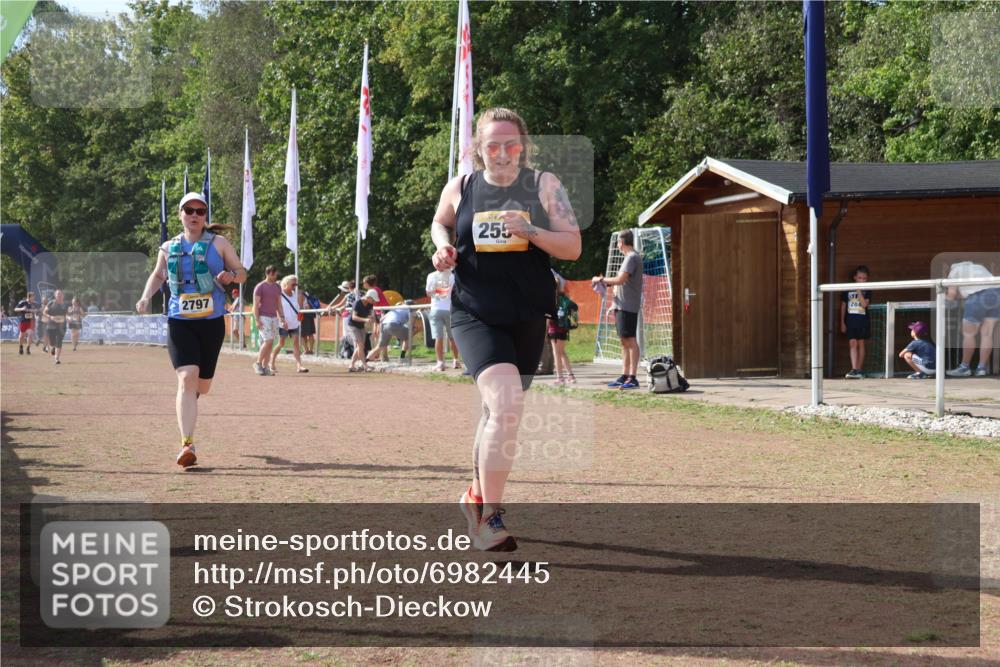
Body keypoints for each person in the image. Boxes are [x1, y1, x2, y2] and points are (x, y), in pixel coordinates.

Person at [430, 107, 581, 551]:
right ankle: (490, 517)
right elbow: (441, 222)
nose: (501, 153)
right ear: (478, 148)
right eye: (491, 145)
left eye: (510, 144)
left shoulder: (544, 185)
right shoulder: (461, 186)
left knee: (499, 413)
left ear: (523, 146)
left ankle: (475, 496)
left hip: (528, 314)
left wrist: (531, 229)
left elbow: (572, 246)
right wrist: (442, 249)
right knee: (506, 403)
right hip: (474, 312)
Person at [136, 191, 246, 468]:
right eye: (189, 210)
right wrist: (145, 297)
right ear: (180, 214)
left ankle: (191, 399)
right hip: (179, 321)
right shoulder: (168, 246)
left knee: (202, 386)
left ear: (205, 215)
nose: (194, 215)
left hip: (211, 322)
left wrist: (231, 276)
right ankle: (187, 444)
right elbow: (159, 274)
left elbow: (242, 273)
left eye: (200, 211)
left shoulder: (219, 243)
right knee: (187, 378)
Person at [592, 230, 643, 389]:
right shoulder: (629, 257)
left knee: (631, 340)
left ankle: (633, 377)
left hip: (627, 305)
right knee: (623, 341)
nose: (617, 245)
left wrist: (601, 280)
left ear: (622, 242)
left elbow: (620, 280)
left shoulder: (631, 257)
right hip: (621, 305)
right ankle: (625, 374)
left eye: (618, 242)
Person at [945, 261, 999, 377]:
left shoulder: (954, 271)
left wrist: (941, 296)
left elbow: (951, 295)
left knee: (969, 334)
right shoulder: (980, 267)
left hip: (977, 297)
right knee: (987, 334)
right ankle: (981, 368)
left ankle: (964, 367)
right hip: (997, 295)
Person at [425, 267, 461, 371]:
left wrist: (437, 291)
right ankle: (456, 360)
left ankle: (440, 363)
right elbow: (456, 292)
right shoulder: (452, 276)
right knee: (452, 336)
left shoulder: (431, 275)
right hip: (449, 309)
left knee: (438, 337)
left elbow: (428, 293)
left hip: (436, 309)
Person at [271, 274, 308, 374]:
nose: (295, 286)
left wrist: (299, 314)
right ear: (286, 284)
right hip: (283, 324)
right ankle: (272, 362)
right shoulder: (279, 294)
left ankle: (299, 366)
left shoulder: (295, 294)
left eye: (296, 284)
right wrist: (282, 321)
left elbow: (296, 307)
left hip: (294, 323)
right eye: (293, 284)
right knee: (281, 344)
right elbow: (277, 309)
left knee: (296, 344)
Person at [840, 265, 872, 379]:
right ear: (855, 277)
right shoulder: (847, 290)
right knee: (852, 343)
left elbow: (864, 305)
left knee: (861, 343)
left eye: (864, 278)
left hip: (862, 320)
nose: (862, 280)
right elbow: (843, 306)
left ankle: (859, 369)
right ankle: (854, 369)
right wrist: (842, 322)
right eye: (860, 278)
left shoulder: (867, 290)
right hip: (850, 321)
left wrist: (859, 291)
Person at [252, 266, 285, 376]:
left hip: (273, 318)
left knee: (271, 343)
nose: (276, 276)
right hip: (263, 317)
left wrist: (282, 318)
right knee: (268, 340)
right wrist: (257, 319)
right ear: (269, 273)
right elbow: (255, 305)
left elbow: (279, 304)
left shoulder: (277, 287)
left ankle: (265, 367)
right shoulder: (260, 287)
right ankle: (257, 363)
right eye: (274, 274)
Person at [549, 275, 577, 385]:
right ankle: (571, 375)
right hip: (564, 329)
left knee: (556, 354)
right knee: (562, 352)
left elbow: (548, 317)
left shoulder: (552, 299)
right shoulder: (564, 297)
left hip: (554, 329)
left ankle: (560, 377)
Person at [348, 289, 378, 372]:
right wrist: (365, 320)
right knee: (360, 345)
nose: (374, 301)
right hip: (353, 326)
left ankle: (351, 365)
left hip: (361, 326)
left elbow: (371, 315)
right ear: (368, 297)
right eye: (373, 299)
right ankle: (365, 366)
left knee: (360, 347)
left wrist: (371, 319)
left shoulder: (370, 304)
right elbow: (354, 317)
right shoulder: (358, 303)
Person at [43, 290, 69, 364]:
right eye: (58, 295)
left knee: (59, 341)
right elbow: (44, 312)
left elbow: (66, 314)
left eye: (61, 295)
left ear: (63, 296)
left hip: (62, 325)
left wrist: (68, 317)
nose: (59, 296)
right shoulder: (51, 303)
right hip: (51, 325)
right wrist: (50, 316)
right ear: (55, 295)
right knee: (52, 342)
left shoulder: (65, 304)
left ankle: (56, 359)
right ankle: (52, 348)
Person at [14, 290, 40, 355]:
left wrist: (37, 310)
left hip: (32, 321)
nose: (34, 298)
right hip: (24, 321)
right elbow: (15, 309)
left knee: (30, 335)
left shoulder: (35, 303)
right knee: (22, 335)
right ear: (29, 297)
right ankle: (21, 347)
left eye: (34, 297)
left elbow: (41, 309)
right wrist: (22, 309)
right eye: (33, 297)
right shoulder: (23, 302)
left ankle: (28, 348)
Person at [301, 290, 320, 355]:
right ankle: (310, 350)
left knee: (301, 334)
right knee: (310, 333)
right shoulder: (305, 293)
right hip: (309, 314)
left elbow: (299, 306)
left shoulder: (299, 293)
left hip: (303, 314)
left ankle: (306, 350)